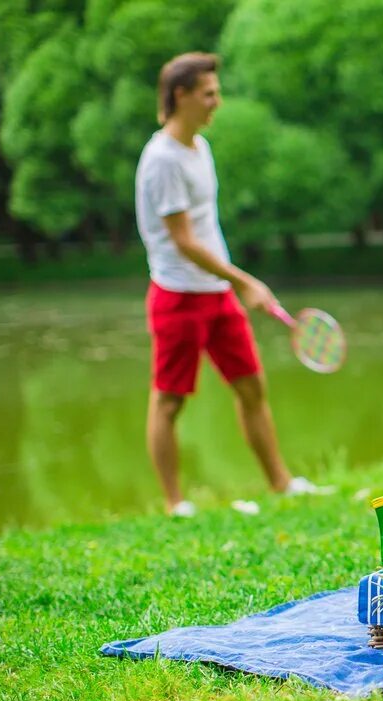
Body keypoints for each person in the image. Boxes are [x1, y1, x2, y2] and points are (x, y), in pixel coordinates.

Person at [136, 52, 322, 516]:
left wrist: (231, 284)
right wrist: (244, 281)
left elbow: (205, 228)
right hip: (178, 296)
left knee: (251, 386)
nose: (217, 102)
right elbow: (182, 240)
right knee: (169, 401)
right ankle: (174, 503)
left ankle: (282, 483)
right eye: (209, 94)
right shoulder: (162, 160)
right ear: (181, 96)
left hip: (216, 294)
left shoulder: (201, 148)